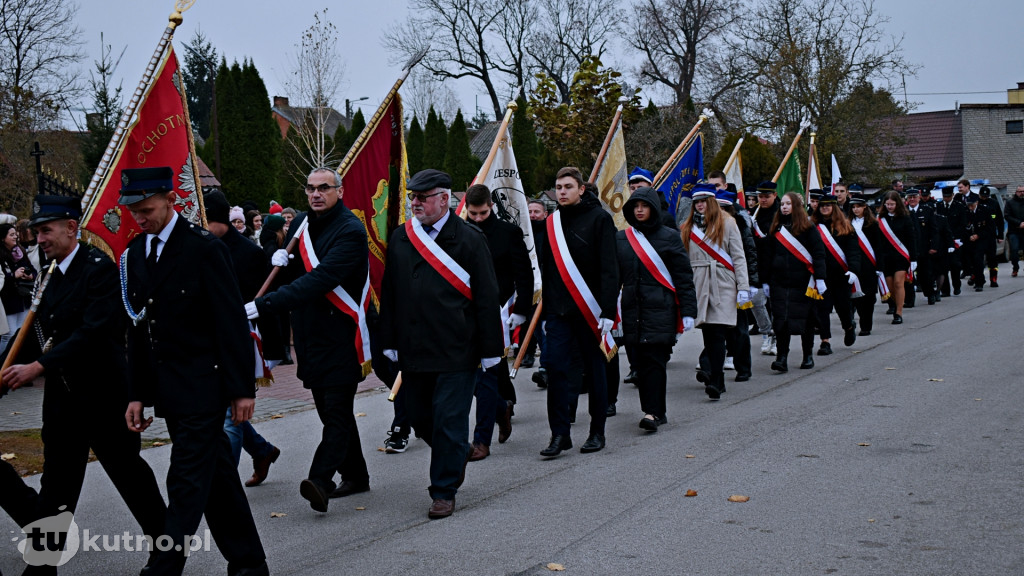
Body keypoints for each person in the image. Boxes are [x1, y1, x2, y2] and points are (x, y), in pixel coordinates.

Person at [1, 195, 168, 575]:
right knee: (58, 481)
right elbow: (35, 330)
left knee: (129, 474)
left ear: (71, 228)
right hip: (63, 399)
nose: (38, 239)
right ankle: (43, 564)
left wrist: (38, 366)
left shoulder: (99, 270)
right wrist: (7, 368)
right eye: (35, 232)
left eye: (46, 231)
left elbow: (93, 333)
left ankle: (166, 546)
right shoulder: (50, 274)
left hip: (104, 395)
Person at [120, 167, 268, 576]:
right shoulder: (134, 254)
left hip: (206, 383)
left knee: (184, 481)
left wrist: (242, 389)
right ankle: (249, 563)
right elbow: (137, 329)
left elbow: (230, 323)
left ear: (170, 199)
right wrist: (137, 393)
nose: (140, 218)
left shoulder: (203, 247)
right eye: (133, 211)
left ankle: (165, 567)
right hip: (169, 387)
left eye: (147, 208)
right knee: (218, 478)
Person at [378, 169, 504, 519]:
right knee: (421, 420)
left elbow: (486, 295)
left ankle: (443, 490)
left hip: (456, 348)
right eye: (412, 197)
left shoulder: (469, 238)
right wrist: (388, 339)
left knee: (449, 419)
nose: (415, 202)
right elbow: (391, 292)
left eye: (423, 197)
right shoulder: (403, 237)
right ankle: (455, 451)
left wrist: (492, 350)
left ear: (445, 199)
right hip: (414, 348)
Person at [249, 168, 372, 513]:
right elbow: (297, 272)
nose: (316, 194)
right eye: (310, 188)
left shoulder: (350, 230)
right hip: (309, 336)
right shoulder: (302, 221)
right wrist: (279, 262)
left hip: (342, 335)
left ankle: (319, 479)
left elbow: (321, 279)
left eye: (324, 188)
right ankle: (357, 475)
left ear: (339, 191)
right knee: (331, 411)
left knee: (335, 412)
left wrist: (264, 304)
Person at [536, 166, 618, 457]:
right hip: (558, 313)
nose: (562, 192)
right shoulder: (550, 223)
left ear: (581, 189)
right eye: (558, 187)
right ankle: (560, 434)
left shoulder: (600, 220)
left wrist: (608, 311)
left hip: (591, 311)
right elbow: (547, 269)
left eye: (568, 187)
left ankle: (597, 432)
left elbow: (610, 268)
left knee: (595, 373)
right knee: (556, 370)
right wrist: (545, 312)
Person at [203, 191, 283, 489]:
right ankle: (263, 450)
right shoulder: (200, 248)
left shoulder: (250, 254)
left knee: (229, 415)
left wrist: (273, 350)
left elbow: (269, 305)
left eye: (206, 221)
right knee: (226, 410)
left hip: (246, 343)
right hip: (209, 345)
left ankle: (224, 485)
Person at [616, 186, 696, 430]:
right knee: (639, 363)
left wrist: (689, 311)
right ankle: (652, 410)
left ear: (653, 208)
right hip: (631, 310)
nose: (640, 210)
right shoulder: (621, 238)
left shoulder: (670, 236)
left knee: (655, 362)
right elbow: (613, 276)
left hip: (660, 309)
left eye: (644, 206)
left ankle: (653, 412)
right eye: (636, 207)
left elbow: (683, 276)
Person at [463, 184, 533, 459]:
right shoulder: (459, 232)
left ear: (491, 206)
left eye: (482, 213)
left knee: (488, 373)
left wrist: (521, 309)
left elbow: (524, 274)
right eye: (473, 214)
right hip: (464, 313)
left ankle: (481, 441)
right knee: (473, 376)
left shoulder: (508, 232)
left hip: (499, 310)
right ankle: (501, 407)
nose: (478, 218)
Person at [680, 184, 749, 398]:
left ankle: (717, 380)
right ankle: (714, 375)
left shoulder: (728, 223)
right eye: (696, 202)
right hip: (699, 282)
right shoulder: (688, 227)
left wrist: (743, 287)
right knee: (709, 334)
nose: (699, 205)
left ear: (711, 201)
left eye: (703, 201)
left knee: (718, 332)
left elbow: (738, 256)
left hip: (724, 282)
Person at [762, 192, 827, 372]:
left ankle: (807, 355)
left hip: (803, 283)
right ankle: (781, 357)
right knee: (781, 321)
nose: (784, 207)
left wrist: (820, 278)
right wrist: (765, 280)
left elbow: (818, 254)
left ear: (796, 206)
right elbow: (767, 256)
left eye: (788, 203)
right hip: (779, 283)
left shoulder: (808, 228)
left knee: (805, 320)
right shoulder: (775, 229)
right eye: (782, 203)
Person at [810, 193, 860, 352]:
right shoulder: (812, 226)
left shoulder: (845, 226)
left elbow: (853, 251)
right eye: (822, 205)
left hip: (841, 274)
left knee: (843, 307)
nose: (825, 208)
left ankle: (849, 327)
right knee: (822, 308)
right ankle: (825, 341)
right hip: (821, 275)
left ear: (834, 207)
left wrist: (853, 270)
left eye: (828, 205)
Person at [876, 190, 918, 324]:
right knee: (890, 287)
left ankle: (898, 312)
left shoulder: (905, 217)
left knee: (899, 283)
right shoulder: (880, 219)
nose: (889, 206)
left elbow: (911, 238)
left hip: (901, 256)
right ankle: (895, 304)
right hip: (886, 257)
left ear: (897, 204)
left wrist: (913, 258)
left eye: (892, 204)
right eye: (887, 204)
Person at [849, 195, 884, 335]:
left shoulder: (872, 224)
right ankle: (855, 320)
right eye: (853, 207)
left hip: (869, 265)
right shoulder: (847, 223)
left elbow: (878, 247)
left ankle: (866, 326)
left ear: (864, 207)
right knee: (856, 296)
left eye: (858, 206)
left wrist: (880, 267)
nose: (856, 209)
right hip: (854, 265)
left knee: (869, 297)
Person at [752, 182, 780, 356]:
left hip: (776, 265)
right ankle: (766, 332)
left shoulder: (780, 215)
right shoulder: (754, 213)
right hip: (759, 265)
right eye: (760, 196)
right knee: (756, 302)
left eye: (766, 196)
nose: (762, 199)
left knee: (775, 305)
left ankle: (776, 336)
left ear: (774, 195)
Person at [0, 222, 36, 351]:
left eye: (16, 234)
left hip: (24, 298)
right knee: (9, 334)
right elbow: (1, 279)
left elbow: (33, 270)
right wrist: (13, 276)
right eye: (11, 235)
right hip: (8, 301)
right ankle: (3, 362)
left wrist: (30, 276)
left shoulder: (20, 251)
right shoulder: (1, 256)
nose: (15, 237)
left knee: (21, 333)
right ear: (3, 238)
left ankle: (17, 360)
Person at [523, 199, 548, 374]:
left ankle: (545, 367)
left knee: (546, 329)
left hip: (548, 288)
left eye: (536, 212)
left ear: (545, 214)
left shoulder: (551, 232)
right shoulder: (523, 234)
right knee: (536, 328)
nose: (532, 215)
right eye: (529, 212)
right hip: (530, 289)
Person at [904, 188, 939, 306]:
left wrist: (934, 246)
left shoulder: (927, 210)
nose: (912, 199)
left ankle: (930, 295)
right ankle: (909, 300)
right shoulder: (903, 212)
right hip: (908, 249)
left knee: (926, 274)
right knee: (908, 276)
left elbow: (934, 230)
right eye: (910, 197)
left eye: (914, 197)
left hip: (924, 248)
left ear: (919, 197)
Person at [935, 186, 967, 296]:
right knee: (943, 266)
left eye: (948, 197)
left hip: (955, 240)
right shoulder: (938, 206)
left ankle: (956, 286)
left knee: (955, 265)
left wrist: (955, 238)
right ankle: (945, 290)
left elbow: (963, 223)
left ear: (952, 195)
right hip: (942, 241)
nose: (946, 199)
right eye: (944, 197)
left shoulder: (959, 207)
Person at [963, 192, 995, 292]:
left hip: (982, 239)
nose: (970, 207)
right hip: (970, 239)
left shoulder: (985, 210)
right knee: (970, 260)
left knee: (978, 259)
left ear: (976, 203)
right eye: (968, 205)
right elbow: (964, 226)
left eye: (972, 205)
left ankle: (979, 282)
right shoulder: (966, 211)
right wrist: (969, 236)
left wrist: (978, 235)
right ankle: (975, 275)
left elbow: (990, 227)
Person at [978, 186, 1004, 287]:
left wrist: (1000, 235)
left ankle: (993, 279)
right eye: (982, 196)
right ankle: (977, 277)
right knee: (978, 259)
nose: (984, 198)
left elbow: (1000, 221)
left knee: (992, 259)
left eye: (986, 196)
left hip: (991, 236)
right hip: (978, 237)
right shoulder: (976, 202)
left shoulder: (993, 203)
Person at [1004, 185, 1024, 277]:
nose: (1022, 193)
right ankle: (1015, 267)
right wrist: (1019, 223)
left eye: (1023, 191)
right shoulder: (1010, 203)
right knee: (1014, 250)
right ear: (1016, 192)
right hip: (1014, 231)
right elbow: (1007, 215)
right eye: (1020, 191)